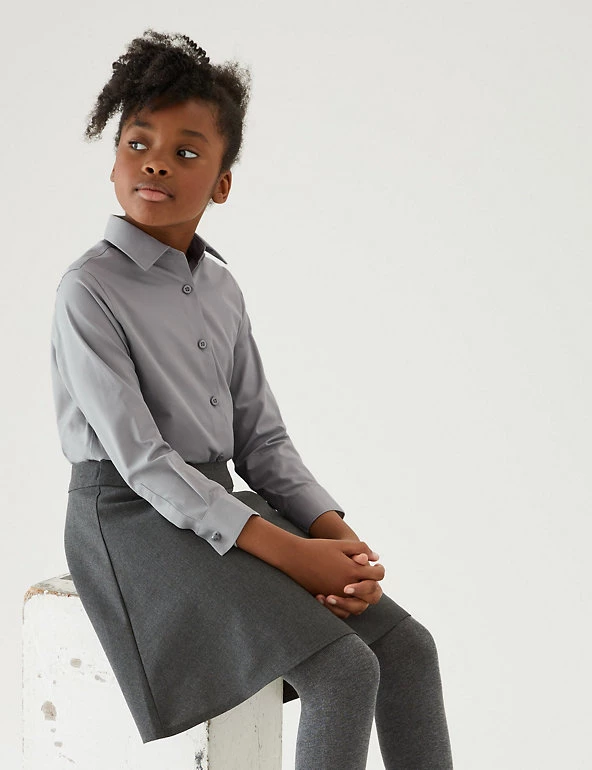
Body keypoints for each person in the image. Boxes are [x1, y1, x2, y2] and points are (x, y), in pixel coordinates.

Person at [50, 28, 454, 769]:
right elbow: (144, 462)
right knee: (342, 671)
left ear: (222, 183)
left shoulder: (220, 287)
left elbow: (261, 440)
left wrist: (337, 541)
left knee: (408, 648)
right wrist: (294, 554)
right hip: (129, 518)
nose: (157, 162)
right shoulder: (88, 290)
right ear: (113, 164)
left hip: (215, 503)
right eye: (138, 144)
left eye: (187, 152)